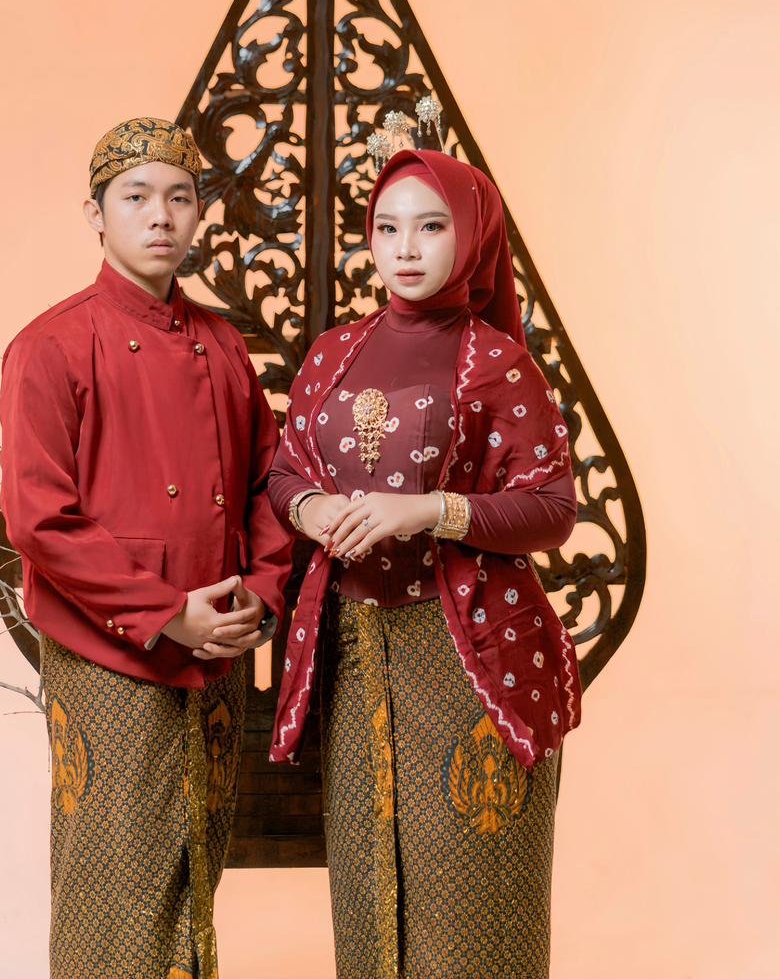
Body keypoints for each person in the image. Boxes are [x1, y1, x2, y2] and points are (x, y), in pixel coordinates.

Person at [268, 143, 582, 979]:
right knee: (369, 898)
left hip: (471, 657)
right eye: (387, 228)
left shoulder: (496, 360)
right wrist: (312, 507)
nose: (405, 249)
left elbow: (553, 508)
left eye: (432, 227)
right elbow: (286, 469)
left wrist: (430, 511)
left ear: (472, 236)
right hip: (356, 656)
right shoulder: (333, 352)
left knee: (471, 909)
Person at [0, 117, 292, 979]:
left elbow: (268, 486)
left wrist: (261, 596)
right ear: (96, 215)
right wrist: (167, 614)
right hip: (111, 659)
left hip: (217, 651)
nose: (160, 216)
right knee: (115, 886)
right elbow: (38, 519)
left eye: (179, 197)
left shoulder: (224, 344)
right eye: (136, 198)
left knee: (196, 877)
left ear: (199, 213)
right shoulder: (50, 345)